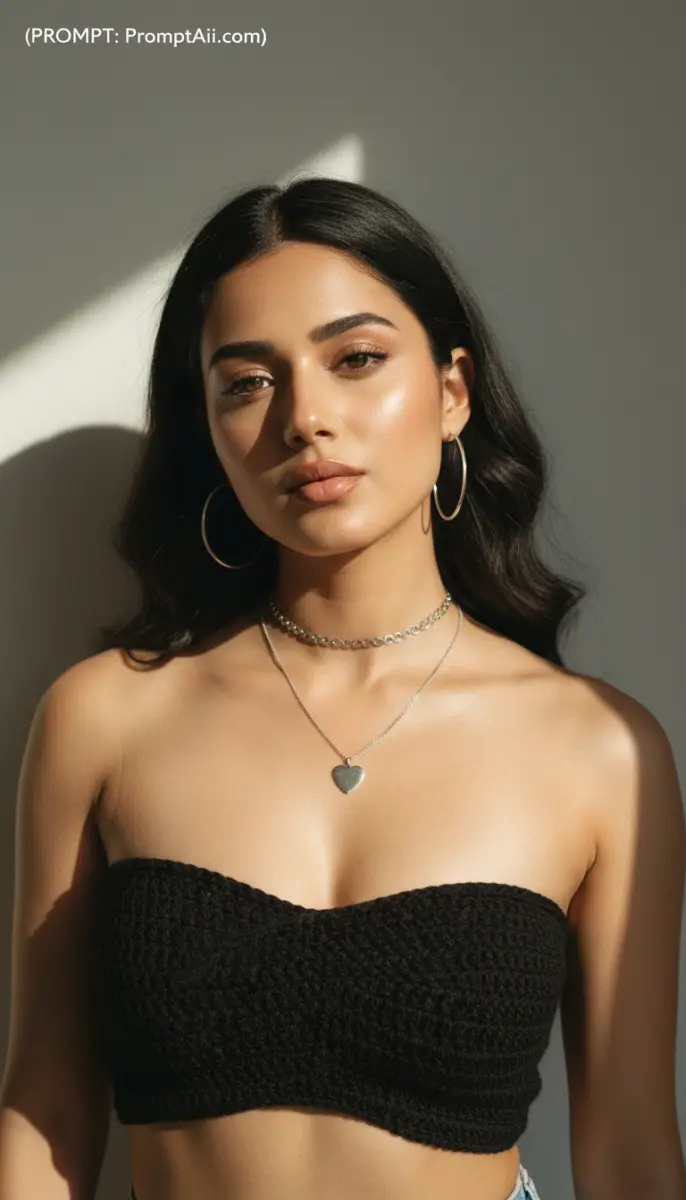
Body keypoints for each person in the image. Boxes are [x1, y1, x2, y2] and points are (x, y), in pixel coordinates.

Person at [1, 177, 685, 1200]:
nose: (306, 419)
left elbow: (630, 1153)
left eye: (355, 359)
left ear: (452, 392)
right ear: (208, 429)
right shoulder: (104, 717)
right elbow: (44, 1111)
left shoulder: (600, 749)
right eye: (247, 382)